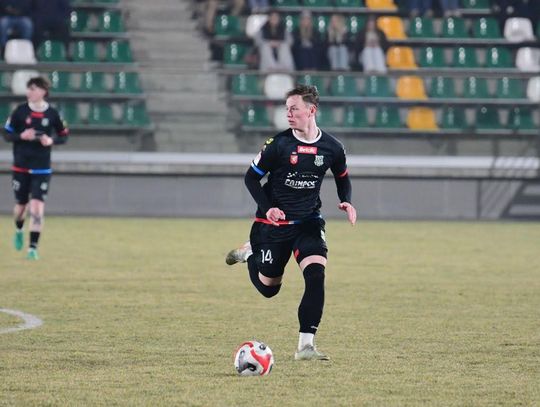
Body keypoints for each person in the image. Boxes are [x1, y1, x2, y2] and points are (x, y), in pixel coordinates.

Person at [225, 84, 357, 361]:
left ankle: (305, 346)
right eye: (287, 109)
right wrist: (269, 208)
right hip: (273, 225)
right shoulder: (278, 145)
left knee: (316, 275)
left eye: (294, 109)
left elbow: (342, 176)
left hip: (309, 221)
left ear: (311, 110)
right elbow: (251, 178)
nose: (288, 114)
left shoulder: (332, 147)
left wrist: (346, 200)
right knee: (269, 289)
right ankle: (250, 253)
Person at [3, 77, 69, 260]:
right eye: (28, 89)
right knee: (20, 208)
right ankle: (19, 229)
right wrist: (21, 136)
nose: (29, 92)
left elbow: (64, 135)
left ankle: (32, 248)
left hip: (42, 168)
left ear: (43, 91)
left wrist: (51, 140)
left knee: (37, 207)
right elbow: (6, 134)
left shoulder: (53, 114)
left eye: (32, 89)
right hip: (21, 166)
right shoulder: (20, 111)